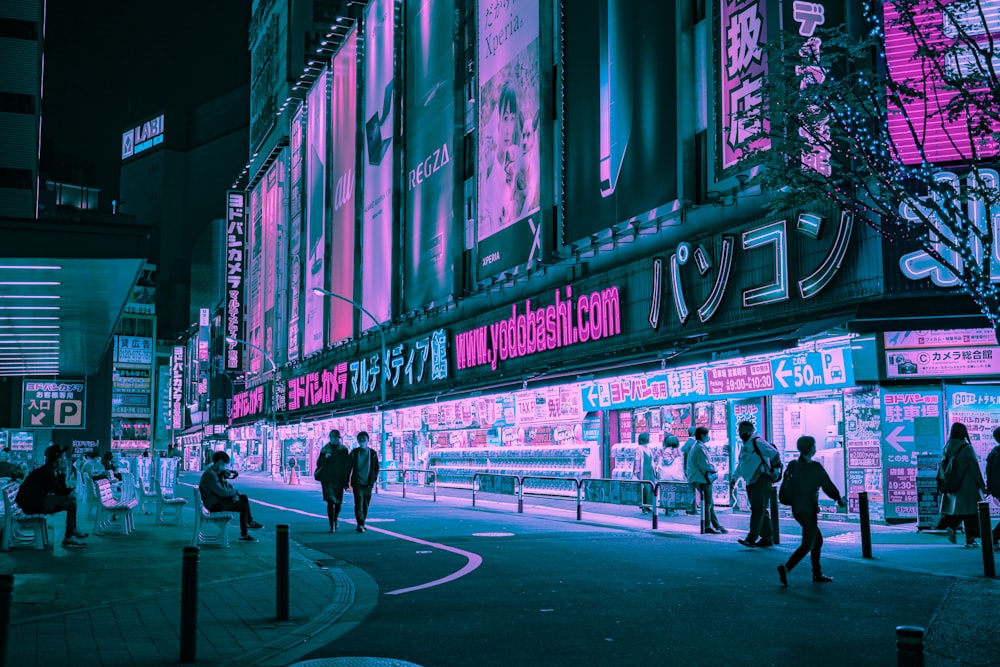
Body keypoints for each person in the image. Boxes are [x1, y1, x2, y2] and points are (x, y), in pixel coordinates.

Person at [776, 436, 847, 586]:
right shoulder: (815, 467)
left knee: (817, 540)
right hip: (808, 508)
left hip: (797, 508)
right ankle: (787, 567)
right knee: (808, 543)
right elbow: (828, 485)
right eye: (814, 445)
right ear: (811, 449)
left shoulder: (794, 465)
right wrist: (838, 499)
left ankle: (817, 573)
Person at [15, 444, 88, 548]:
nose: (65, 460)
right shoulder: (47, 472)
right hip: (32, 506)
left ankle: (71, 533)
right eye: (63, 457)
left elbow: (59, 489)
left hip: (32, 503)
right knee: (70, 502)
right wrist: (63, 476)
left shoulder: (47, 470)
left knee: (70, 500)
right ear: (57, 459)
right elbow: (58, 490)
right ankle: (70, 535)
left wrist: (66, 488)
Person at [936, 422, 986, 548]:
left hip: (953, 487)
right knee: (971, 513)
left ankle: (956, 530)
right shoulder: (967, 448)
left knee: (962, 513)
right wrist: (982, 486)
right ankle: (969, 538)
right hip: (967, 487)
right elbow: (975, 469)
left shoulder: (947, 447)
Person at [199, 451, 264, 542]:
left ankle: (249, 522)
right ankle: (244, 534)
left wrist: (223, 477)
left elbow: (225, 487)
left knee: (243, 498)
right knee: (243, 505)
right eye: (224, 463)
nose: (225, 466)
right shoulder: (211, 475)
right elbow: (222, 492)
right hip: (215, 505)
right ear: (220, 461)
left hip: (216, 502)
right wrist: (235, 492)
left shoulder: (214, 472)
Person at [734, 421, 780, 548]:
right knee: (759, 510)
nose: (740, 432)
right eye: (739, 430)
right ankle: (767, 538)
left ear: (750, 430)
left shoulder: (757, 441)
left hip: (761, 479)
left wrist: (776, 471)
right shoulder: (745, 446)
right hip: (750, 481)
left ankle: (751, 538)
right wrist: (734, 477)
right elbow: (742, 464)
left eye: (743, 430)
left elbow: (775, 454)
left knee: (757, 510)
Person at [687, 426, 727, 534]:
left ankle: (715, 524)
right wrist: (715, 469)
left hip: (698, 478)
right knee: (708, 503)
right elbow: (705, 464)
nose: (708, 437)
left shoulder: (697, 446)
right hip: (701, 479)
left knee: (709, 503)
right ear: (703, 435)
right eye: (707, 435)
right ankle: (707, 526)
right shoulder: (699, 447)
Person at [316, 430, 352, 532]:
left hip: (339, 479)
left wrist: (346, 481)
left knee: (338, 503)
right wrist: (325, 458)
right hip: (327, 479)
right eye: (332, 437)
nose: (333, 439)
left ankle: (335, 519)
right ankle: (331, 524)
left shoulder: (343, 450)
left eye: (336, 437)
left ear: (339, 438)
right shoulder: (325, 449)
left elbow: (346, 467)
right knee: (330, 502)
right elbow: (318, 463)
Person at [348, 431, 380, 533]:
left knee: (365, 504)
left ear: (367, 441)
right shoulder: (354, 453)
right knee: (359, 503)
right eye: (360, 439)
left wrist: (373, 479)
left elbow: (376, 468)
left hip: (368, 483)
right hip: (357, 483)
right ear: (358, 441)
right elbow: (348, 467)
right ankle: (360, 523)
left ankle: (362, 522)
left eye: (364, 439)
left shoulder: (373, 453)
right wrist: (346, 481)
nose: (362, 441)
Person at [986, 427, 1000, 552]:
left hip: (997, 489)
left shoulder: (994, 452)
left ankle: (994, 536)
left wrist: (990, 488)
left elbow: (989, 473)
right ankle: (994, 536)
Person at [681, 426, 700, 515]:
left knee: (690, 489)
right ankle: (692, 508)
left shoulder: (686, 443)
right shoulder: (694, 444)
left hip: (687, 470)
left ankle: (691, 507)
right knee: (695, 489)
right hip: (694, 470)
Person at [637, 433, 655, 514]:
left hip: (650, 470)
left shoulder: (648, 448)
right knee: (645, 488)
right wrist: (637, 471)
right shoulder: (639, 448)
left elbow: (652, 461)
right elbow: (637, 460)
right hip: (644, 470)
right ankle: (644, 506)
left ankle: (648, 505)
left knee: (651, 488)